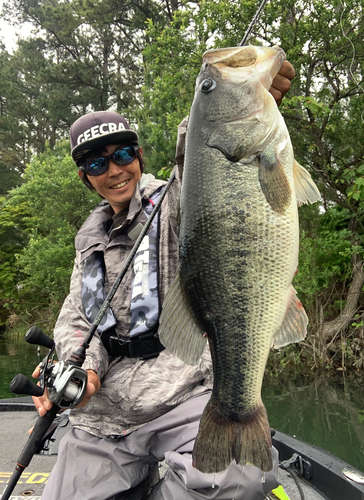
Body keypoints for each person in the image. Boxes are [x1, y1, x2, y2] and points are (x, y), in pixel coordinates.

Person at [32, 61, 295, 500]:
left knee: (233, 482)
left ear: (138, 157)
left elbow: (202, 165)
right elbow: (79, 320)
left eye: (122, 155)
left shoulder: (173, 200)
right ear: (85, 177)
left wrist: (230, 104)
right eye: (98, 163)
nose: (114, 171)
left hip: (185, 389)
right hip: (109, 413)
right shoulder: (87, 244)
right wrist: (84, 374)